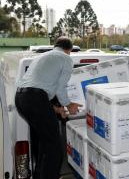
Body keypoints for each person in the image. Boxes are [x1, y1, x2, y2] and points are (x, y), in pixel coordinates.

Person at [15, 36, 82, 179]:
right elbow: (60, 87)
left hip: (21, 98)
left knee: (45, 143)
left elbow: (38, 90)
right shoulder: (65, 58)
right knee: (54, 148)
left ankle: (40, 175)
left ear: (56, 46)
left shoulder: (41, 57)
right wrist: (69, 104)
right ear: (69, 50)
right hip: (36, 99)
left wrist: (57, 109)